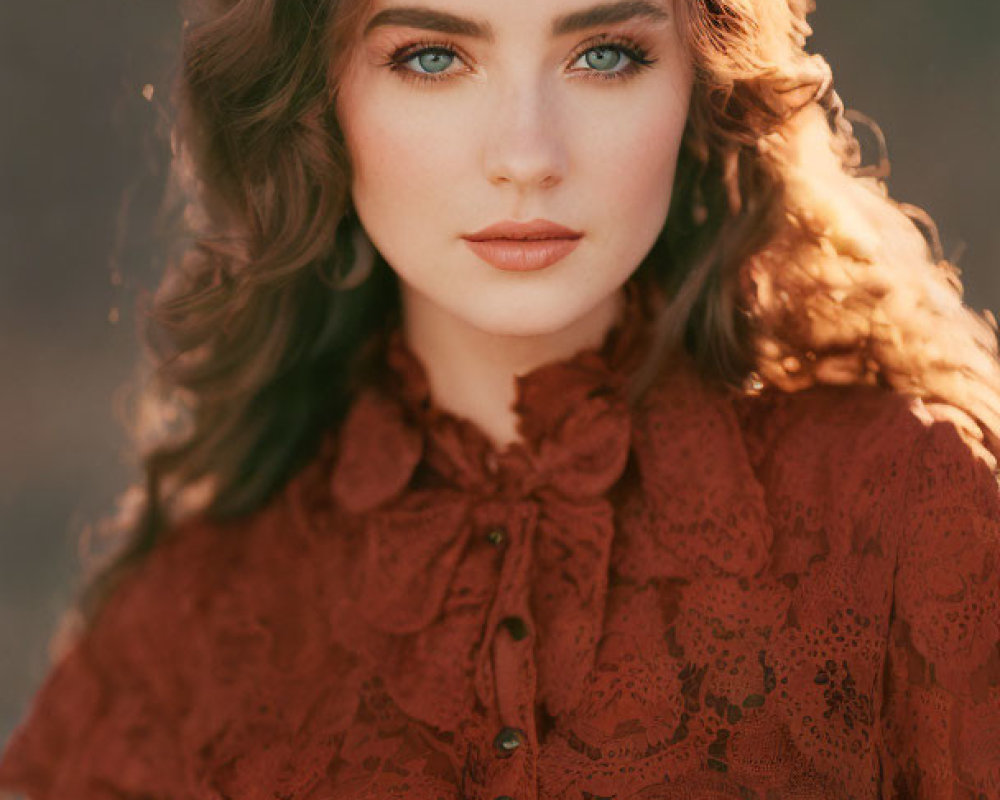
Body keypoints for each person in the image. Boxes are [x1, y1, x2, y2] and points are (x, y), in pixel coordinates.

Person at [2, 0, 999, 797]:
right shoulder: (188, 627)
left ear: (703, 79)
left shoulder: (913, 516)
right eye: (432, 56)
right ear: (316, 96)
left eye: (604, 53)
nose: (526, 155)